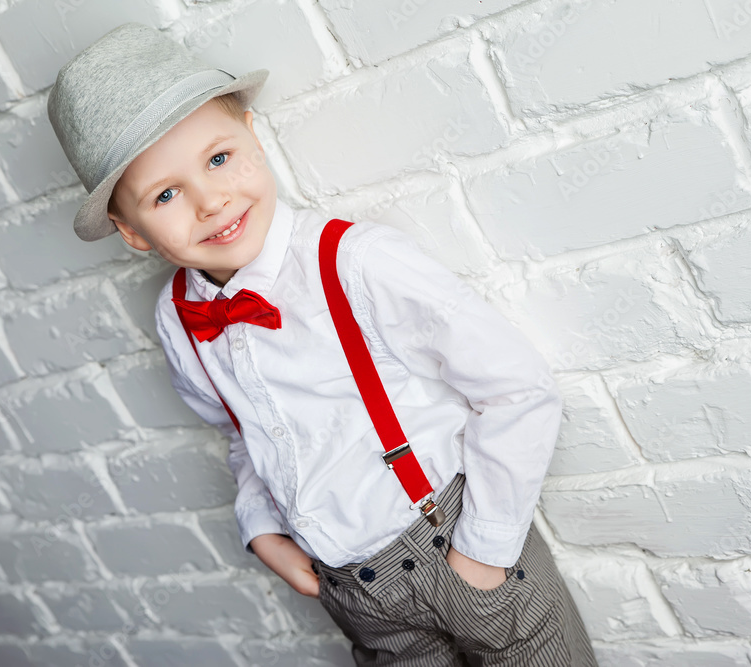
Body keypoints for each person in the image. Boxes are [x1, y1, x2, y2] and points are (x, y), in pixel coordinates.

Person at [48, 21, 598, 667]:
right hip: (355, 594)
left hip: (459, 547)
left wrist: (482, 549)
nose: (210, 201)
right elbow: (244, 434)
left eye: (218, 159)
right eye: (165, 194)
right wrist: (262, 529)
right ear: (132, 232)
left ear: (253, 137)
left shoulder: (356, 262)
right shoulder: (178, 320)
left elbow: (516, 387)